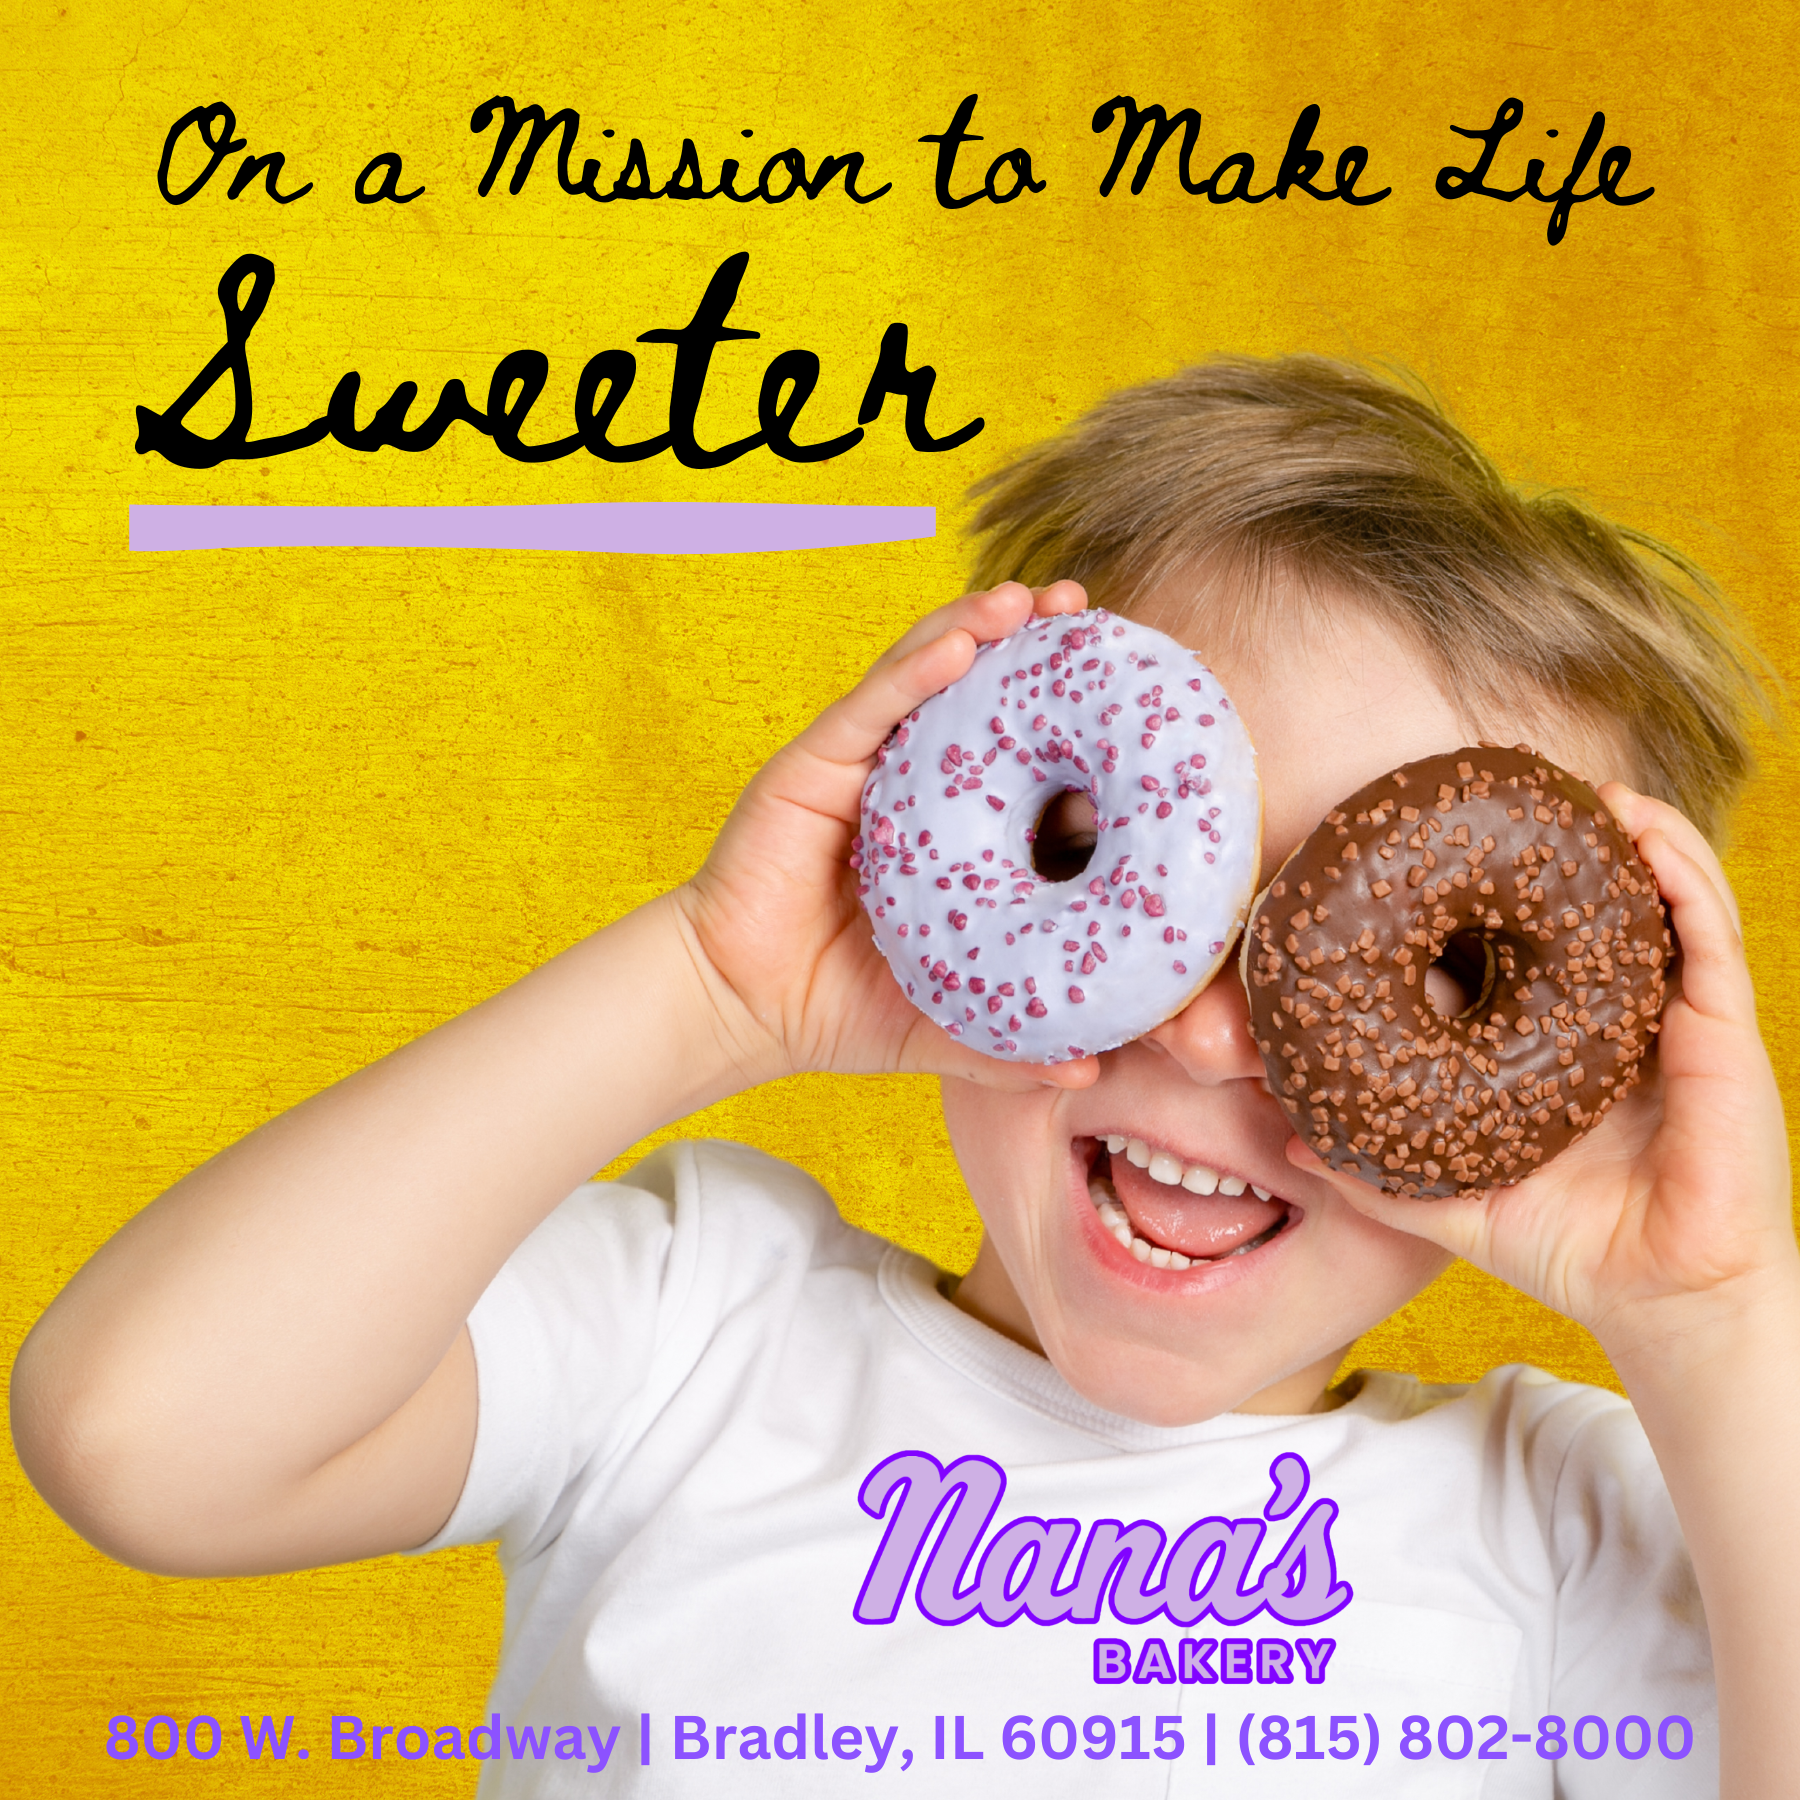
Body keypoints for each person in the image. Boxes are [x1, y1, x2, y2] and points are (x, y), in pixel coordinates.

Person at [12, 359, 1797, 1797]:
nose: (1200, 1029)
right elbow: (140, 1438)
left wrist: (1715, 1320)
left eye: (1431, 976)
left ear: (1566, 1065)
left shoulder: (1582, 1532)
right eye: (1120, 870)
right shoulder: (695, 1332)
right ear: (949, 832)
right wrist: (710, 991)